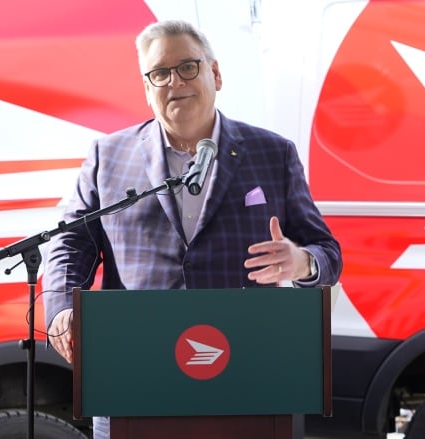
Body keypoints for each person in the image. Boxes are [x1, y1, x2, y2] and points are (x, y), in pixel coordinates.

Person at [42, 18, 342, 439]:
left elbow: (327, 253)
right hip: (135, 372)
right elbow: (70, 243)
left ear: (215, 74)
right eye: (159, 73)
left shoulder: (273, 153)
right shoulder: (108, 156)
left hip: (247, 372)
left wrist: (301, 262)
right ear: (147, 88)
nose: (174, 82)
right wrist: (59, 309)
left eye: (187, 67)